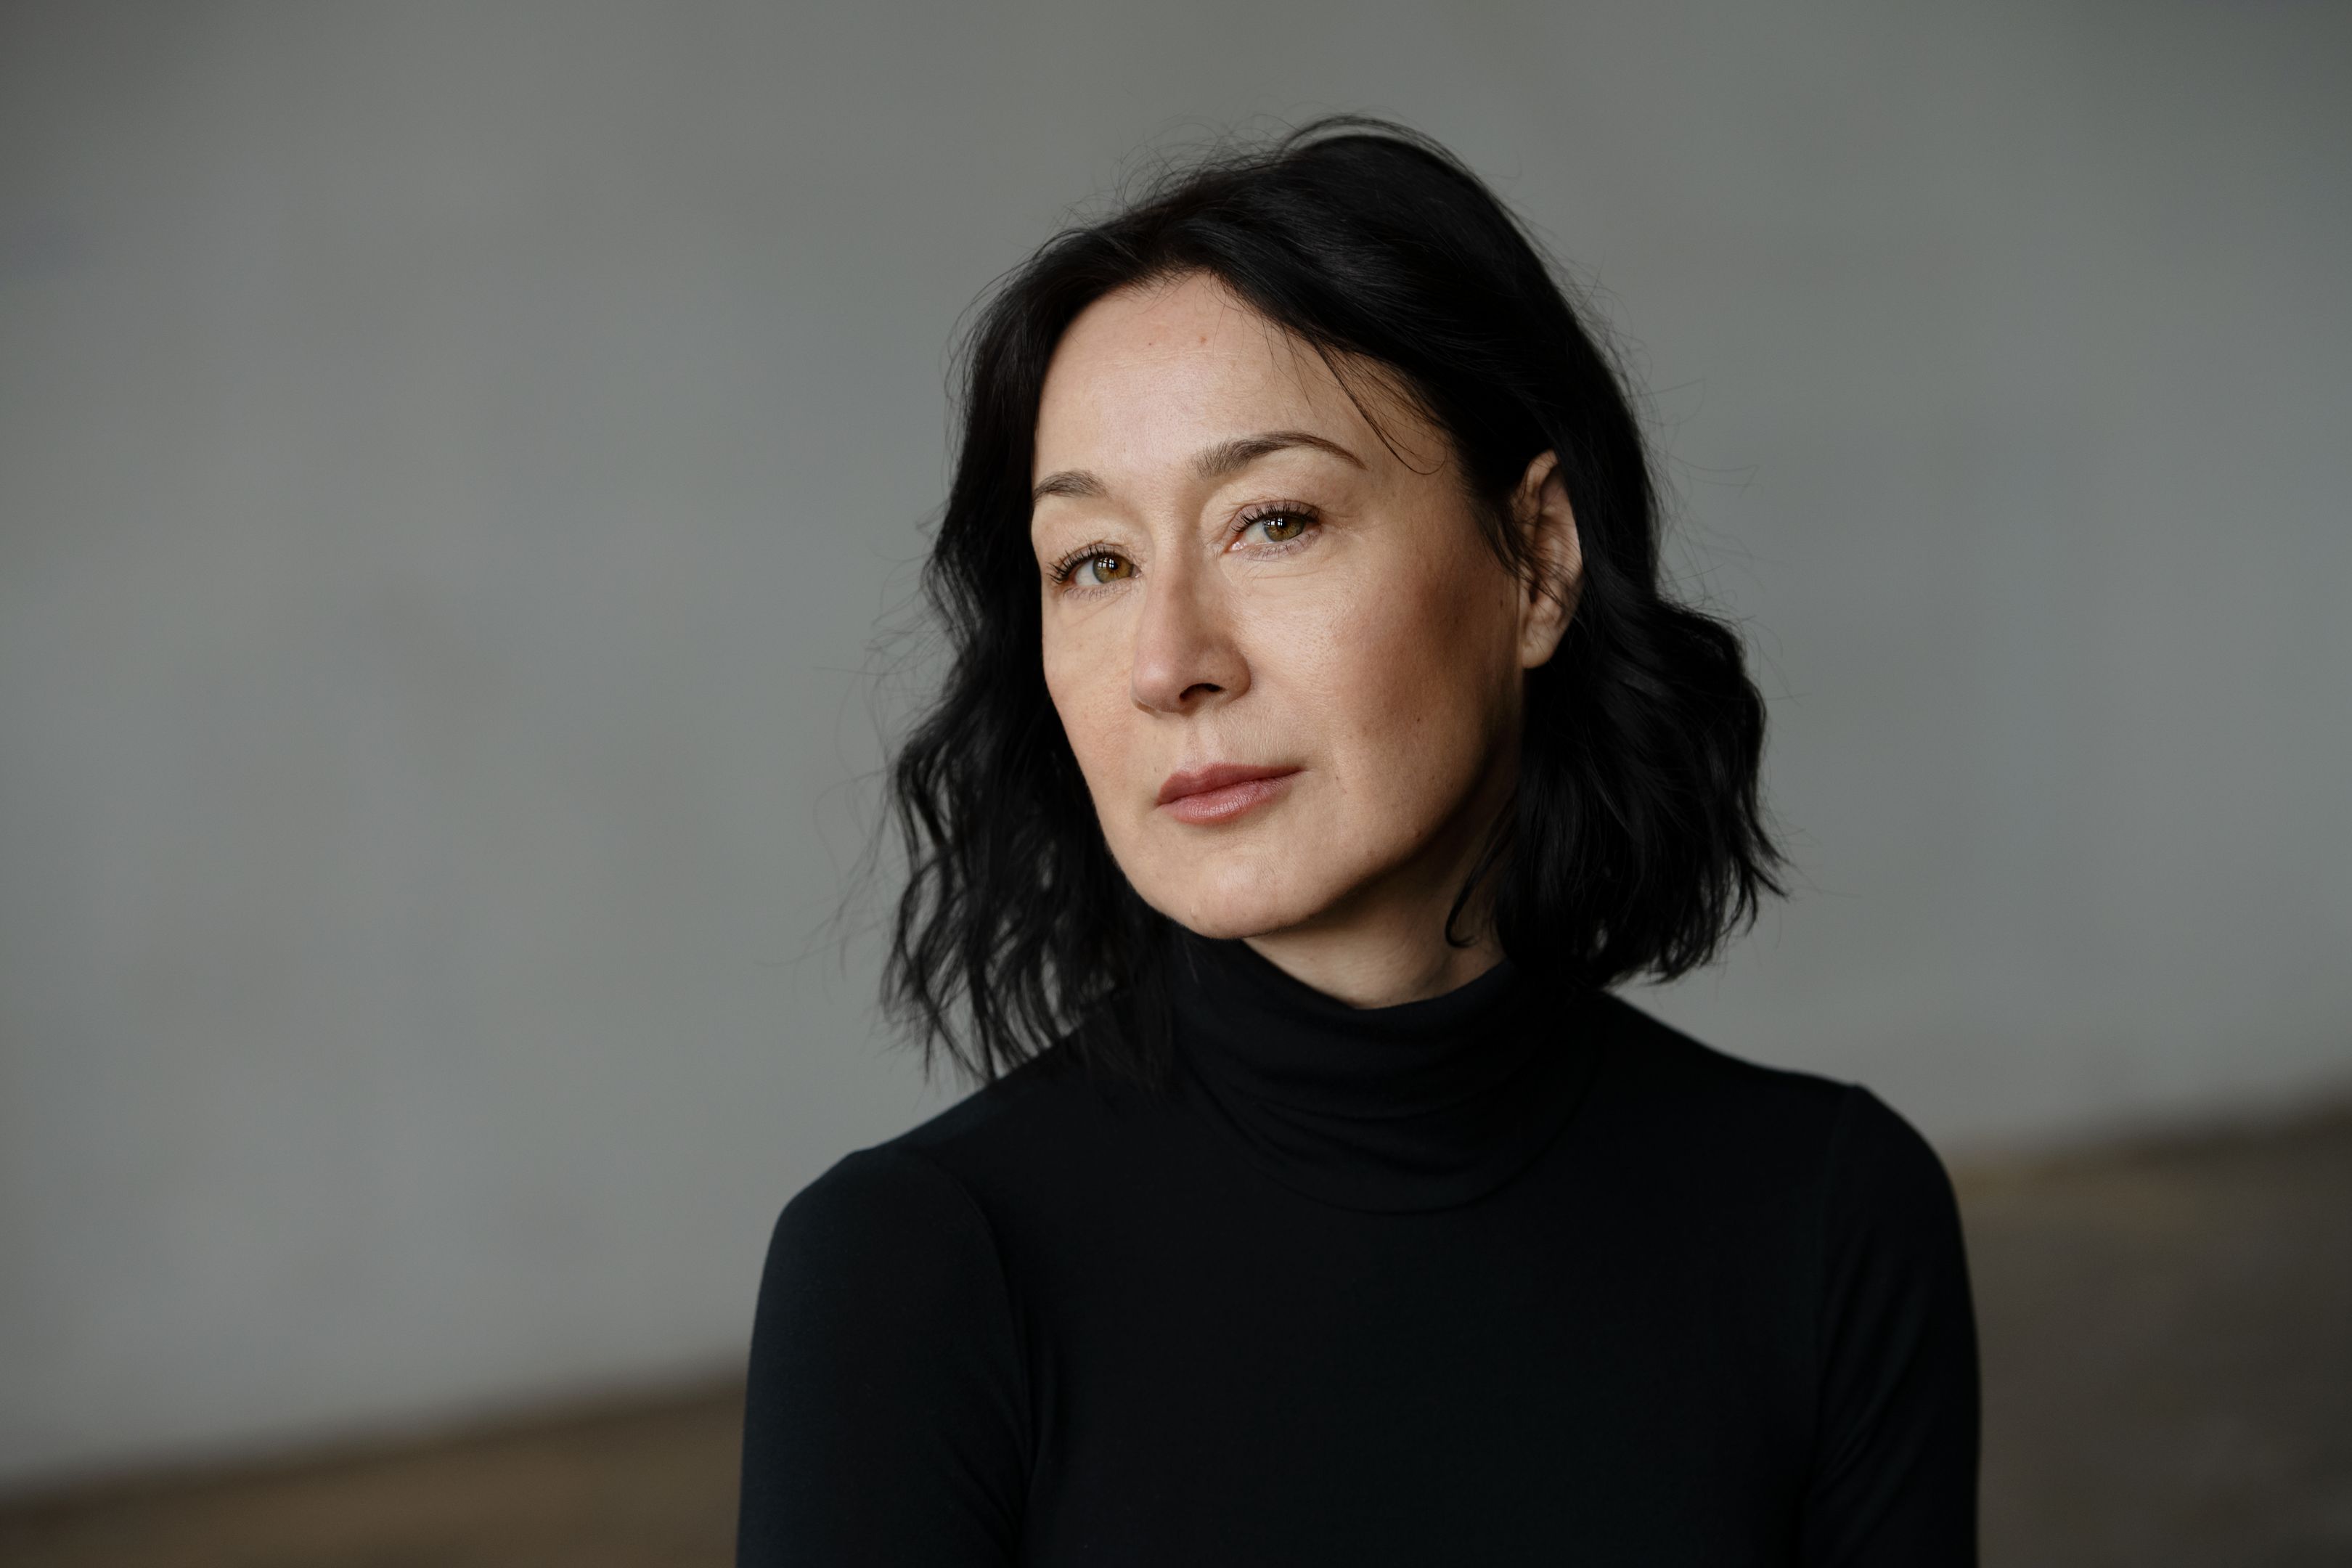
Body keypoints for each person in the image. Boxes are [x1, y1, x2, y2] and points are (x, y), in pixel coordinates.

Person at [736, 118, 1979, 1566]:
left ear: (1538, 561)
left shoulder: (1828, 1218)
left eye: (1272, 521)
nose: (1169, 663)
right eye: (1096, 562)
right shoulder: (914, 1273)